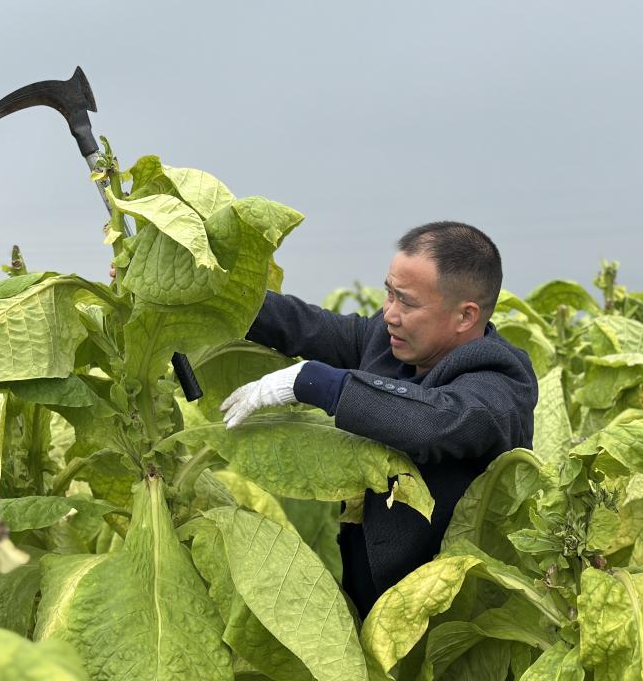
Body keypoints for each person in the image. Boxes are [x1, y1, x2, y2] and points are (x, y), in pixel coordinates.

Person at [220, 221, 538, 617]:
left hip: (448, 622)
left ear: (464, 316)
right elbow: (304, 326)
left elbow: (437, 421)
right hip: (367, 600)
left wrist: (317, 382)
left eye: (407, 302)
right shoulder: (387, 343)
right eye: (389, 293)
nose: (389, 313)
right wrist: (209, 291)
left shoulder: (500, 382)